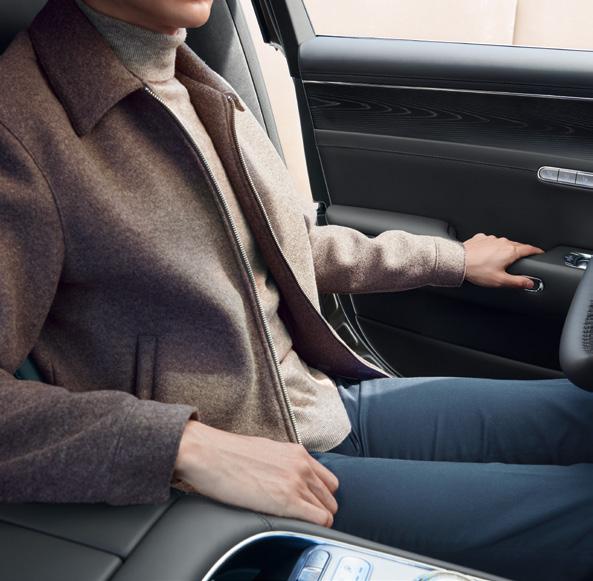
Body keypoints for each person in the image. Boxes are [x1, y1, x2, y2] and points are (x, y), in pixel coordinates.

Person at [0, 0, 591, 579]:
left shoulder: (185, 73)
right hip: (235, 476)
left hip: (318, 403)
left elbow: (285, 247)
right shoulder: (21, 128)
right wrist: (184, 447)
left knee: (581, 409)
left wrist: (451, 259)